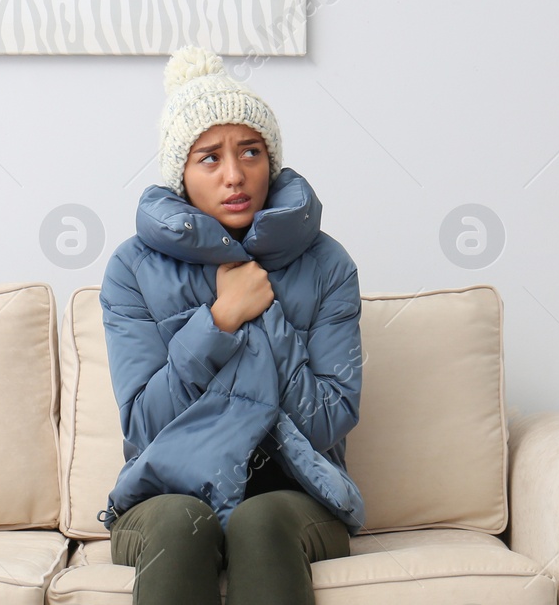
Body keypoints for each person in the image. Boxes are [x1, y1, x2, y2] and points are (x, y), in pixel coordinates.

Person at [98, 46, 366, 605]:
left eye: (250, 151)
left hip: (297, 495)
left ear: (271, 160)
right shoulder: (131, 270)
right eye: (210, 158)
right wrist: (218, 321)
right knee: (179, 522)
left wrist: (263, 309)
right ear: (181, 175)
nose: (235, 175)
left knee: (259, 521)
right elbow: (145, 427)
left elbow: (329, 421)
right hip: (165, 493)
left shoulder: (328, 265)